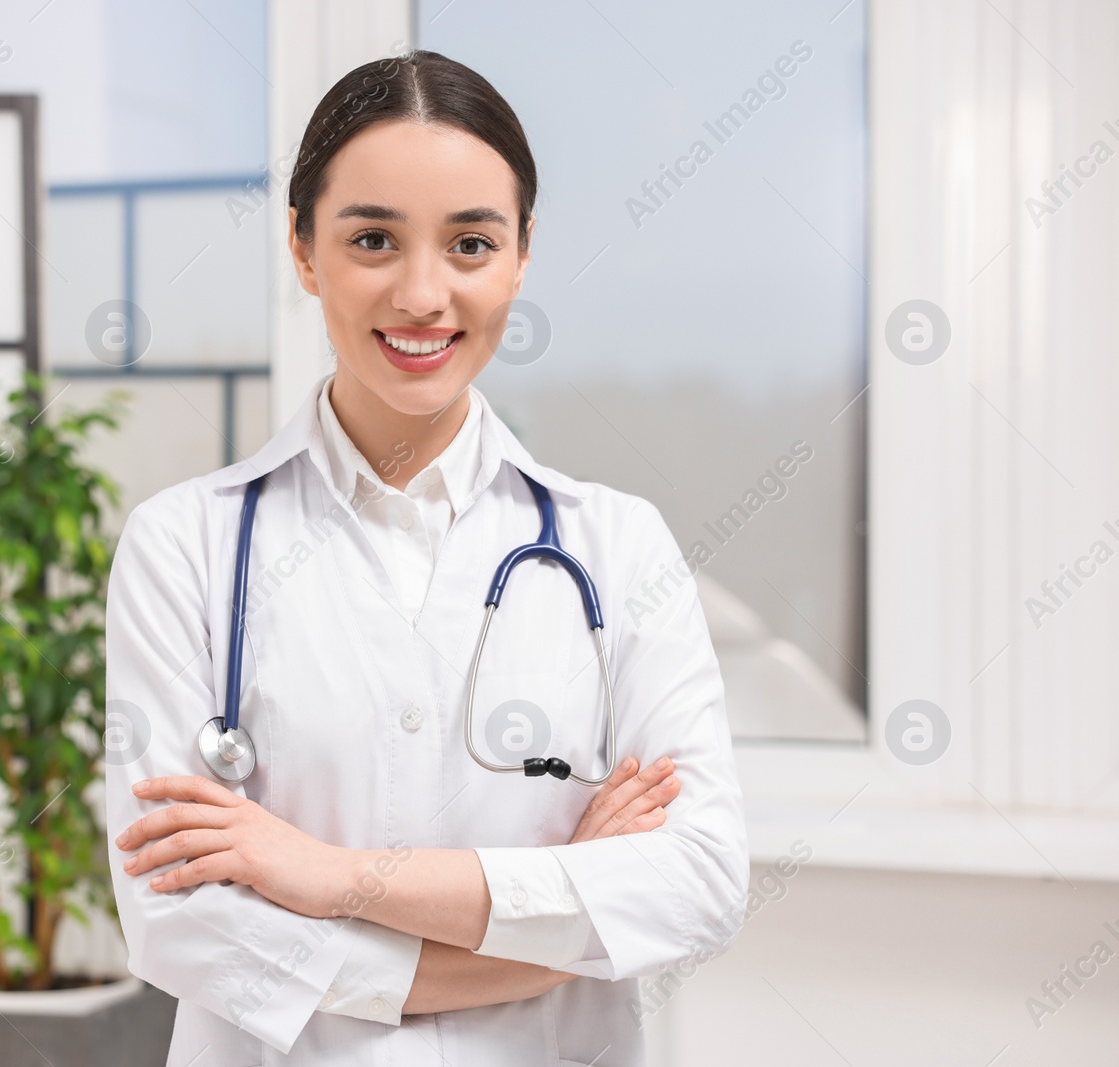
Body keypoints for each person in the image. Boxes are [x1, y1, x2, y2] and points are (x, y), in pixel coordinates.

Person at [104, 49, 747, 1067]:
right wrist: (548, 938)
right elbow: (180, 919)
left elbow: (699, 880)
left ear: (522, 254)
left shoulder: (618, 547)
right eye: (371, 238)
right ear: (304, 250)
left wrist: (325, 874)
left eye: (470, 243)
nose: (421, 293)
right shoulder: (185, 545)